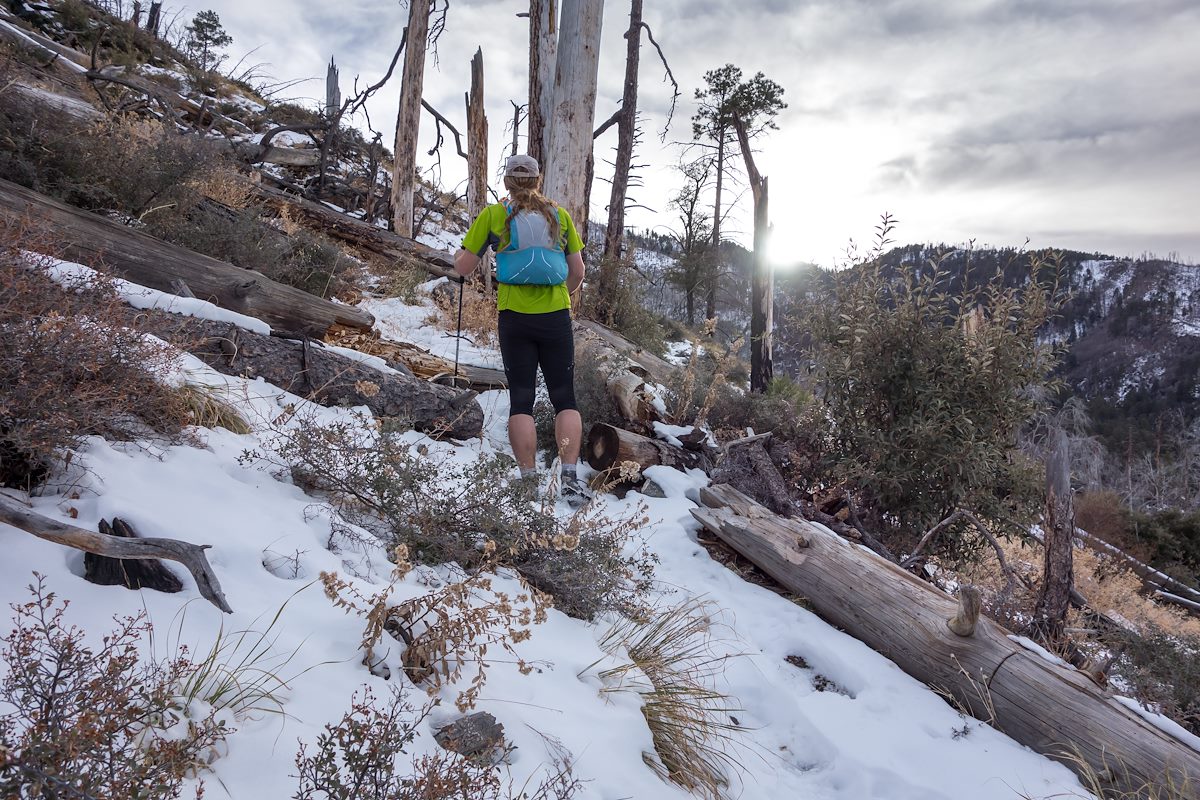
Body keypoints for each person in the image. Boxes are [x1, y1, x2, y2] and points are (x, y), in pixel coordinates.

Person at [453, 154, 591, 507]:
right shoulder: (558, 215)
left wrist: (462, 255)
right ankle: (571, 481)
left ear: (506, 182)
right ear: (537, 180)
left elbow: (464, 267)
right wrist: (565, 294)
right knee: (565, 398)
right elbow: (578, 270)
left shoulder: (495, 214)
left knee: (522, 400)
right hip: (556, 315)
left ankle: (528, 482)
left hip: (514, 317)